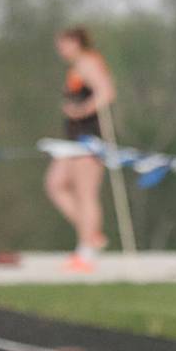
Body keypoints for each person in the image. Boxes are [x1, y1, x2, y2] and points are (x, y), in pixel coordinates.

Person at [47, 26, 116, 272]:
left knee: (85, 192)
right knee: (56, 184)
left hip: (89, 139)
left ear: (76, 42)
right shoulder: (76, 67)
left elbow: (106, 93)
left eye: (64, 44)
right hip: (72, 140)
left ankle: (86, 251)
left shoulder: (88, 62)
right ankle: (90, 233)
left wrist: (81, 110)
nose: (60, 50)